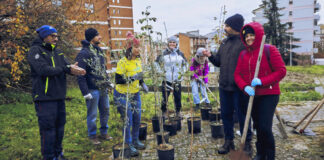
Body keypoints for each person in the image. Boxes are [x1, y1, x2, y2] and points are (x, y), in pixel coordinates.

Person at [27, 25, 86, 160]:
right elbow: (43, 70)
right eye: (53, 36)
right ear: (44, 36)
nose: (56, 38)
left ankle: (59, 154)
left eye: (57, 36)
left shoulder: (58, 52)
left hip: (59, 96)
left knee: (60, 127)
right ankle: (49, 156)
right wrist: (66, 68)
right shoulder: (35, 51)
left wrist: (75, 70)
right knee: (48, 130)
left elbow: (66, 67)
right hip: (44, 98)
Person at [234, 22, 286, 160]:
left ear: (258, 35)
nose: (249, 38)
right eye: (246, 36)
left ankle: (270, 156)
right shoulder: (243, 54)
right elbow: (237, 74)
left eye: (252, 35)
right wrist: (245, 86)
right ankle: (261, 153)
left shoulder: (269, 49)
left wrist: (262, 81)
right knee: (257, 126)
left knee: (264, 127)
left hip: (269, 94)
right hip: (252, 95)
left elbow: (281, 71)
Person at [203, 14, 253, 155]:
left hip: (240, 88)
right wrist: (210, 56)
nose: (225, 28)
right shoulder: (224, 43)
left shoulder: (244, 44)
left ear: (235, 27)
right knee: (226, 115)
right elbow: (218, 62)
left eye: (227, 25)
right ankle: (228, 141)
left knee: (243, 116)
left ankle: (247, 143)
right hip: (224, 86)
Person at [75, 28, 113, 145]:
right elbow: (80, 74)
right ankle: (92, 135)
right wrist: (85, 92)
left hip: (102, 88)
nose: (100, 37)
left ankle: (104, 132)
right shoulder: (84, 53)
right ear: (92, 38)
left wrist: (108, 83)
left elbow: (103, 69)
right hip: (92, 89)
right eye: (98, 35)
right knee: (92, 114)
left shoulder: (99, 51)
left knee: (105, 110)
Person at [113, 31, 149, 157]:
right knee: (127, 119)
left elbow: (140, 75)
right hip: (122, 94)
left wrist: (142, 83)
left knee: (137, 118)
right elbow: (118, 80)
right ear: (130, 48)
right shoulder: (123, 62)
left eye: (139, 47)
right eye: (136, 47)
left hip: (135, 93)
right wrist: (133, 78)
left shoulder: (138, 61)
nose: (138, 49)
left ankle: (135, 140)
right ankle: (128, 144)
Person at [155, 36, 188, 117]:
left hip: (177, 79)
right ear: (168, 43)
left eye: (174, 42)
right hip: (167, 79)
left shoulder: (180, 54)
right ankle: (164, 111)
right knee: (165, 97)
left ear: (176, 44)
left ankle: (178, 111)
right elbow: (156, 63)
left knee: (178, 97)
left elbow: (186, 64)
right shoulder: (163, 53)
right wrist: (161, 72)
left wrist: (182, 72)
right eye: (170, 42)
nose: (172, 44)